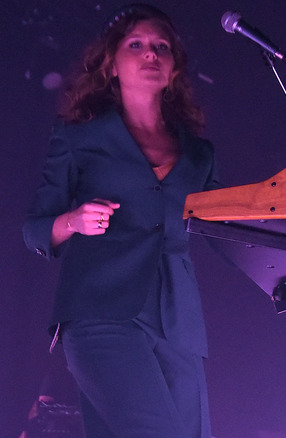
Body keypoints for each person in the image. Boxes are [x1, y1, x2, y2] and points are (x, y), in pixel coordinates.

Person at [23, 4, 220, 437]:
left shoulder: (199, 153)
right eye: (137, 45)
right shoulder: (78, 137)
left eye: (161, 47)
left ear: (173, 68)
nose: (151, 53)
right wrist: (73, 220)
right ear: (111, 65)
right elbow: (35, 229)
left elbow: (224, 227)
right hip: (100, 314)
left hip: (178, 323)